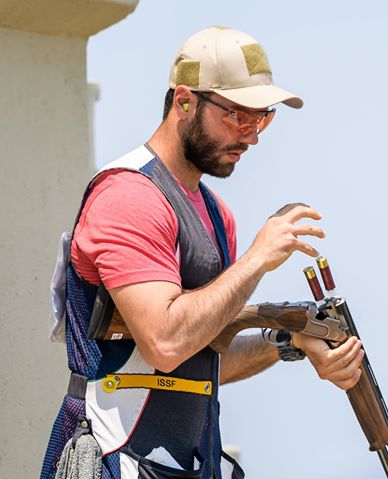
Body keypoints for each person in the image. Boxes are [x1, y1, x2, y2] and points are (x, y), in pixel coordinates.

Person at [41, 26, 364, 479]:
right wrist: (257, 259)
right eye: (237, 115)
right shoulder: (129, 196)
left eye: (262, 117)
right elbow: (166, 342)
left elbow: (203, 357)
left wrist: (288, 342)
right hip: (115, 461)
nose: (252, 136)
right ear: (185, 101)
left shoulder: (217, 215)